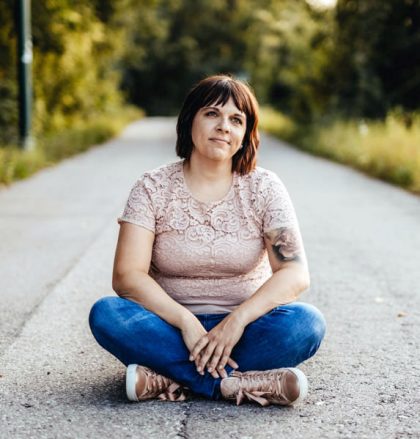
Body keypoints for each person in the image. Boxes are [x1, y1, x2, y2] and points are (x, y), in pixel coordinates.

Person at [89, 74, 326, 407]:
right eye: (212, 114)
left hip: (245, 331)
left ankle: (169, 378)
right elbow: (127, 277)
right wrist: (186, 322)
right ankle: (231, 384)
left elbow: (294, 274)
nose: (224, 126)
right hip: (168, 327)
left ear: (246, 135)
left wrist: (236, 321)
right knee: (107, 315)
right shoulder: (152, 188)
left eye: (236, 119)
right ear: (190, 122)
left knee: (307, 324)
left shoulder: (265, 188)